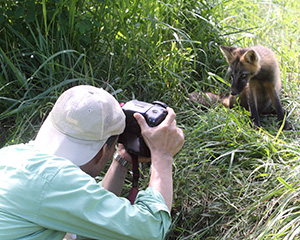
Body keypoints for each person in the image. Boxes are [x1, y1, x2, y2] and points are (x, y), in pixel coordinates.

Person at [0, 85, 184, 240]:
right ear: (103, 151)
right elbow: (151, 229)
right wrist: (162, 156)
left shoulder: (11, 156)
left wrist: (122, 159)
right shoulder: (54, 181)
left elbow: (88, 221)